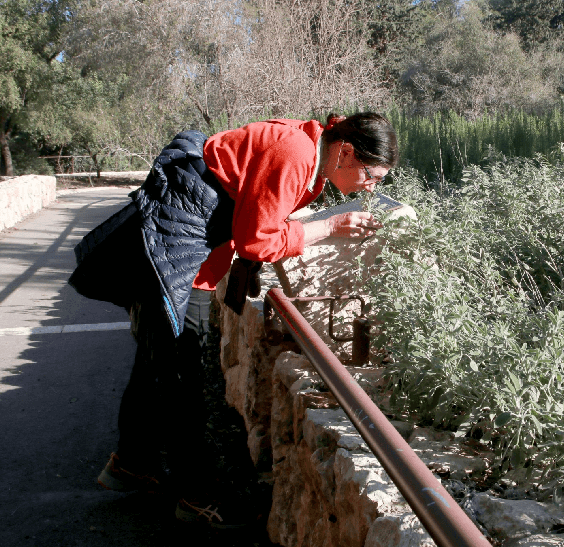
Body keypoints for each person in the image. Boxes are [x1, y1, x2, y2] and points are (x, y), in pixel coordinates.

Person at [69, 112, 398, 530]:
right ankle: (194, 495)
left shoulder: (311, 153)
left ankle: (130, 464)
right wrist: (330, 226)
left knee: (156, 361)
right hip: (173, 249)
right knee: (182, 376)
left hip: (186, 247)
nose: (371, 187)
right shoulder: (297, 152)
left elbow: (258, 212)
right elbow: (256, 240)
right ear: (345, 152)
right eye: (371, 175)